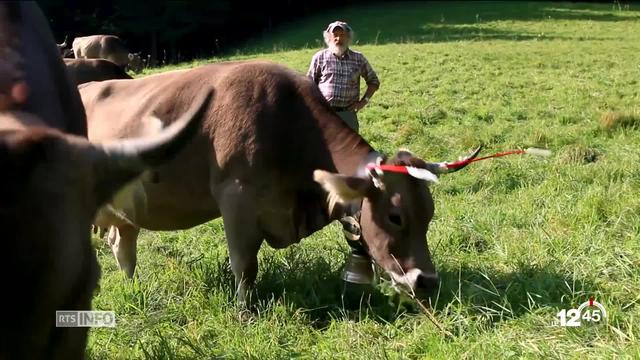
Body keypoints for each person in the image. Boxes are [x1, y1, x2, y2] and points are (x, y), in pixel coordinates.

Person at [307, 21, 380, 132]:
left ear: (348, 37)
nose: (338, 38)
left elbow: (374, 81)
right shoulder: (319, 57)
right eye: (335, 35)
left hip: (348, 115)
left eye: (342, 35)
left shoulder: (358, 58)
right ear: (329, 38)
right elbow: (308, 84)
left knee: (350, 148)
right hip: (325, 114)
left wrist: (364, 101)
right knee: (324, 147)